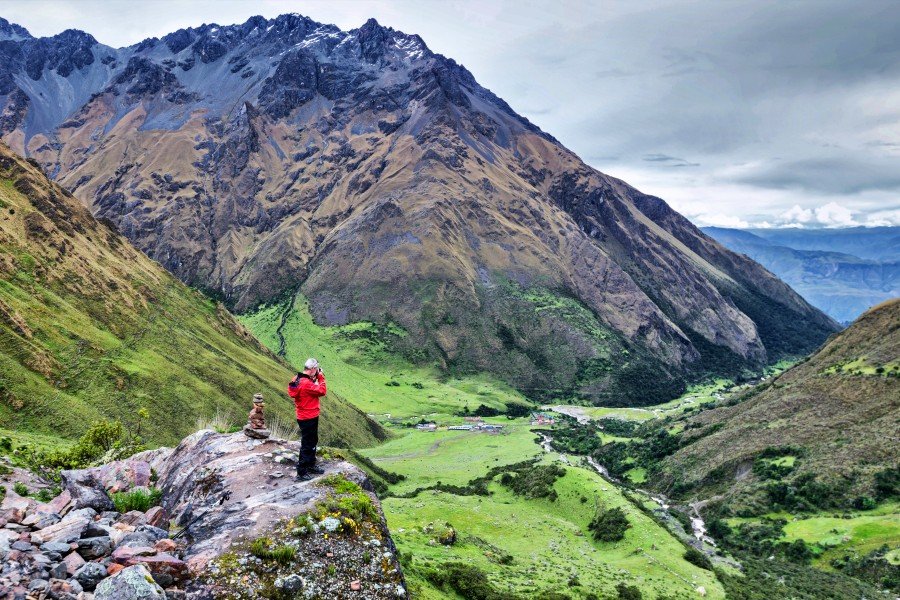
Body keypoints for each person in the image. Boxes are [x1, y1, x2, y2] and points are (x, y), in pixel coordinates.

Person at [288, 358, 327, 481]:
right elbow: (322, 391)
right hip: (309, 416)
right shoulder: (306, 383)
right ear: (313, 369)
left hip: (303, 415)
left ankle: (310, 464)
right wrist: (320, 378)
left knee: (312, 440)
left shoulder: (297, 379)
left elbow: (302, 389)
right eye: (316, 369)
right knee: (307, 444)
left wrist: (314, 378)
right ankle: (302, 471)